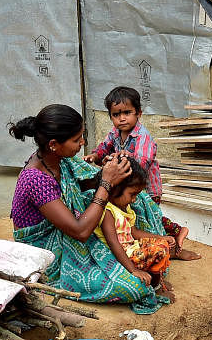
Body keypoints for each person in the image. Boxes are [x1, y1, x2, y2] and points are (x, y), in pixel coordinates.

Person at [8, 104, 170, 314]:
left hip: (72, 229)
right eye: (77, 139)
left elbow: (87, 181)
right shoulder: (35, 179)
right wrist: (106, 183)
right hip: (46, 253)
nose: (82, 143)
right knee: (134, 287)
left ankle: (141, 245)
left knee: (135, 196)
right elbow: (80, 231)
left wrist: (113, 168)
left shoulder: (59, 160)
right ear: (54, 144)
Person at [84, 86, 202, 260]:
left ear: (138, 113)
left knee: (149, 219)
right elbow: (104, 147)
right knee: (135, 219)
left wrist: (125, 157)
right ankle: (171, 234)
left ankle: (173, 249)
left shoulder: (143, 136)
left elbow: (142, 161)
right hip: (128, 187)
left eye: (127, 113)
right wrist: (95, 155)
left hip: (146, 189)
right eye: (116, 115)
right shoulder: (115, 133)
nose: (122, 118)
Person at [95, 157, 176, 300]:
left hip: (132, 248)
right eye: (132, 194)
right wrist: (133, 270)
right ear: (115, 188)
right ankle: (156, 287)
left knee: (162, 245)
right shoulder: (107, 211)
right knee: (158, 251)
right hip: (122, 255)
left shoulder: (125, 208)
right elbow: (113, 243)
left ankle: (158, 281)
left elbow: (134, 232)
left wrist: (161, 238)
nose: (134, 200)